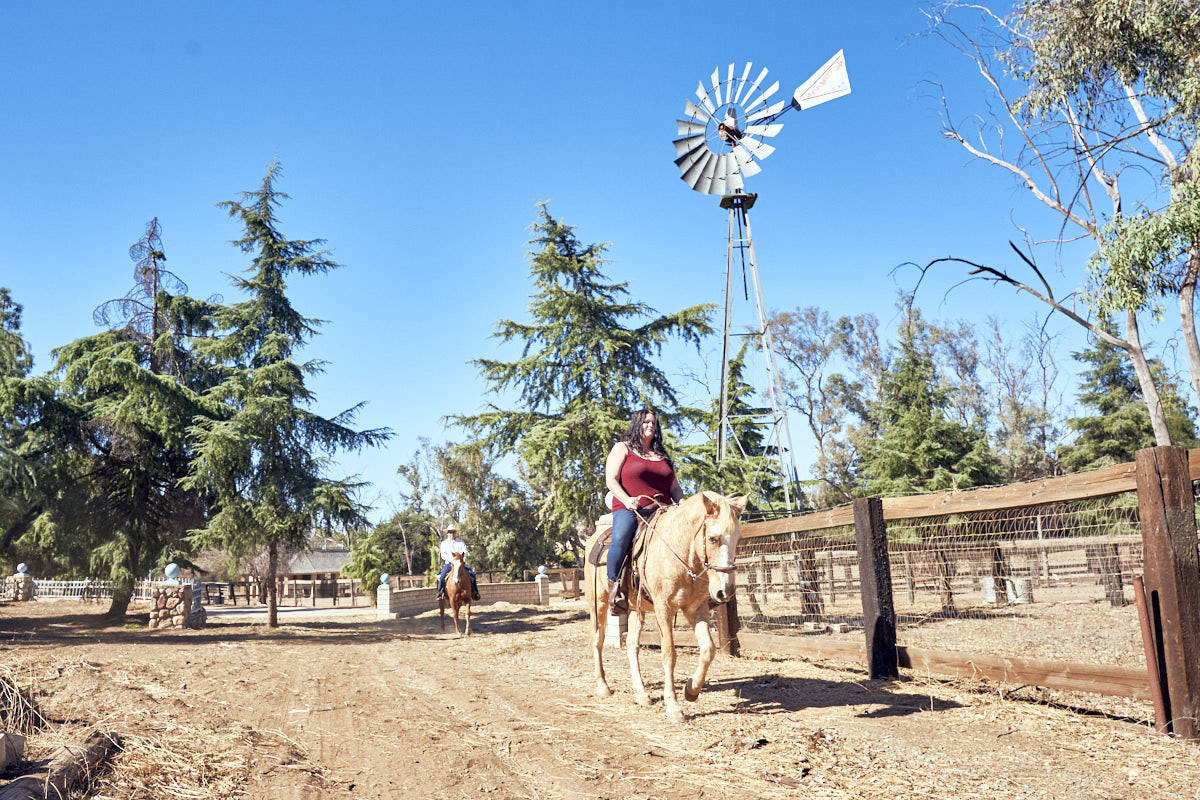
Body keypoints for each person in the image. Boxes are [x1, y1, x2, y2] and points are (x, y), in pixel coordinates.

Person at [603, 408, 685, 613]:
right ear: (637, 424)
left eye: (653, 423)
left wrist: (683, 503)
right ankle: (616, 589)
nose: (650, 425)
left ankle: (695, 588)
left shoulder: (661, 455)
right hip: (632, 508)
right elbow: (610, 479)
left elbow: (674, 486)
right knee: (622, 537)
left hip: (664, 510)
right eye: (646, 422)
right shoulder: (623, 448)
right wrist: (626, 499)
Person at [437, 527, 480, 601]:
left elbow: (466, 552)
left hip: (460, 563)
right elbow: (443, 555)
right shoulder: (444, 543)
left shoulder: (461, 542)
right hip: (449, 563)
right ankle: (440, 593)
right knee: (442, 577)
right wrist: (453, 560)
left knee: (472, 574)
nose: (452, 534)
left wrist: (461, 558)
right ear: (447, 533)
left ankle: (475, 592)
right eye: (450, 532)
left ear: (455, 533)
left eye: (453, 532)